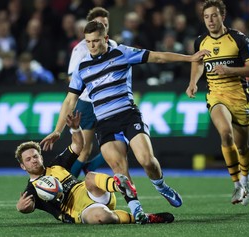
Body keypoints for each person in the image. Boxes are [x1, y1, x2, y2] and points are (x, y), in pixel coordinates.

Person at [40, 20, 210, 223]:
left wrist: (190, 58)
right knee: (119, 170)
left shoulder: (121, 53)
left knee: (147, 160)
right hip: (105, 124)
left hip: (129, 116)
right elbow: (70, 100)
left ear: (105, 38)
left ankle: (161, 185)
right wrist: (58, 130)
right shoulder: (82, 68)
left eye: (95, 41)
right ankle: (136, 209)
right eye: (88, 42)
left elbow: (157, 57)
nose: (91, 46)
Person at [15, 111, 174, 224]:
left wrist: (76, 129)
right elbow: (26, 207)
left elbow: (78, 145)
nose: (33, 160)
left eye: (35, 156)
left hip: (94, 192)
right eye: (28, 159)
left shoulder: (56, 164)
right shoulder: (32, 189)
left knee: (90, 177)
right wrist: (21, 208)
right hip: (80, 211)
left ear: (41, 157)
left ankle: (119, 184)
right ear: (23, 166)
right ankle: (142, 217)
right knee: (101, 217)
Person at [185, 0, 249, 206]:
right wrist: (193, 82)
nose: (210, 20)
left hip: (239, 97)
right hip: (216, 95)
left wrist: (230, 70)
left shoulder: (238, 39)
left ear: (222, 16)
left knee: (243, 147)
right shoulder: (200, 41)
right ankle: (237, 185)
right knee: (225, 133)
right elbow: (198, 63)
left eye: (214, 16)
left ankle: (246, 179)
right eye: (206, 17)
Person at [67, 7, 115, 178]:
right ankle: (67, 185)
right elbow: (72, 78)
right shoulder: (81, 49)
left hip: (109, 102)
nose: (104, 26)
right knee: (84, 149)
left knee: (122, 139)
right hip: (87, 103)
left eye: (106, 24)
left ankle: (90, 167)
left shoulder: (114, 45)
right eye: (100, 23)